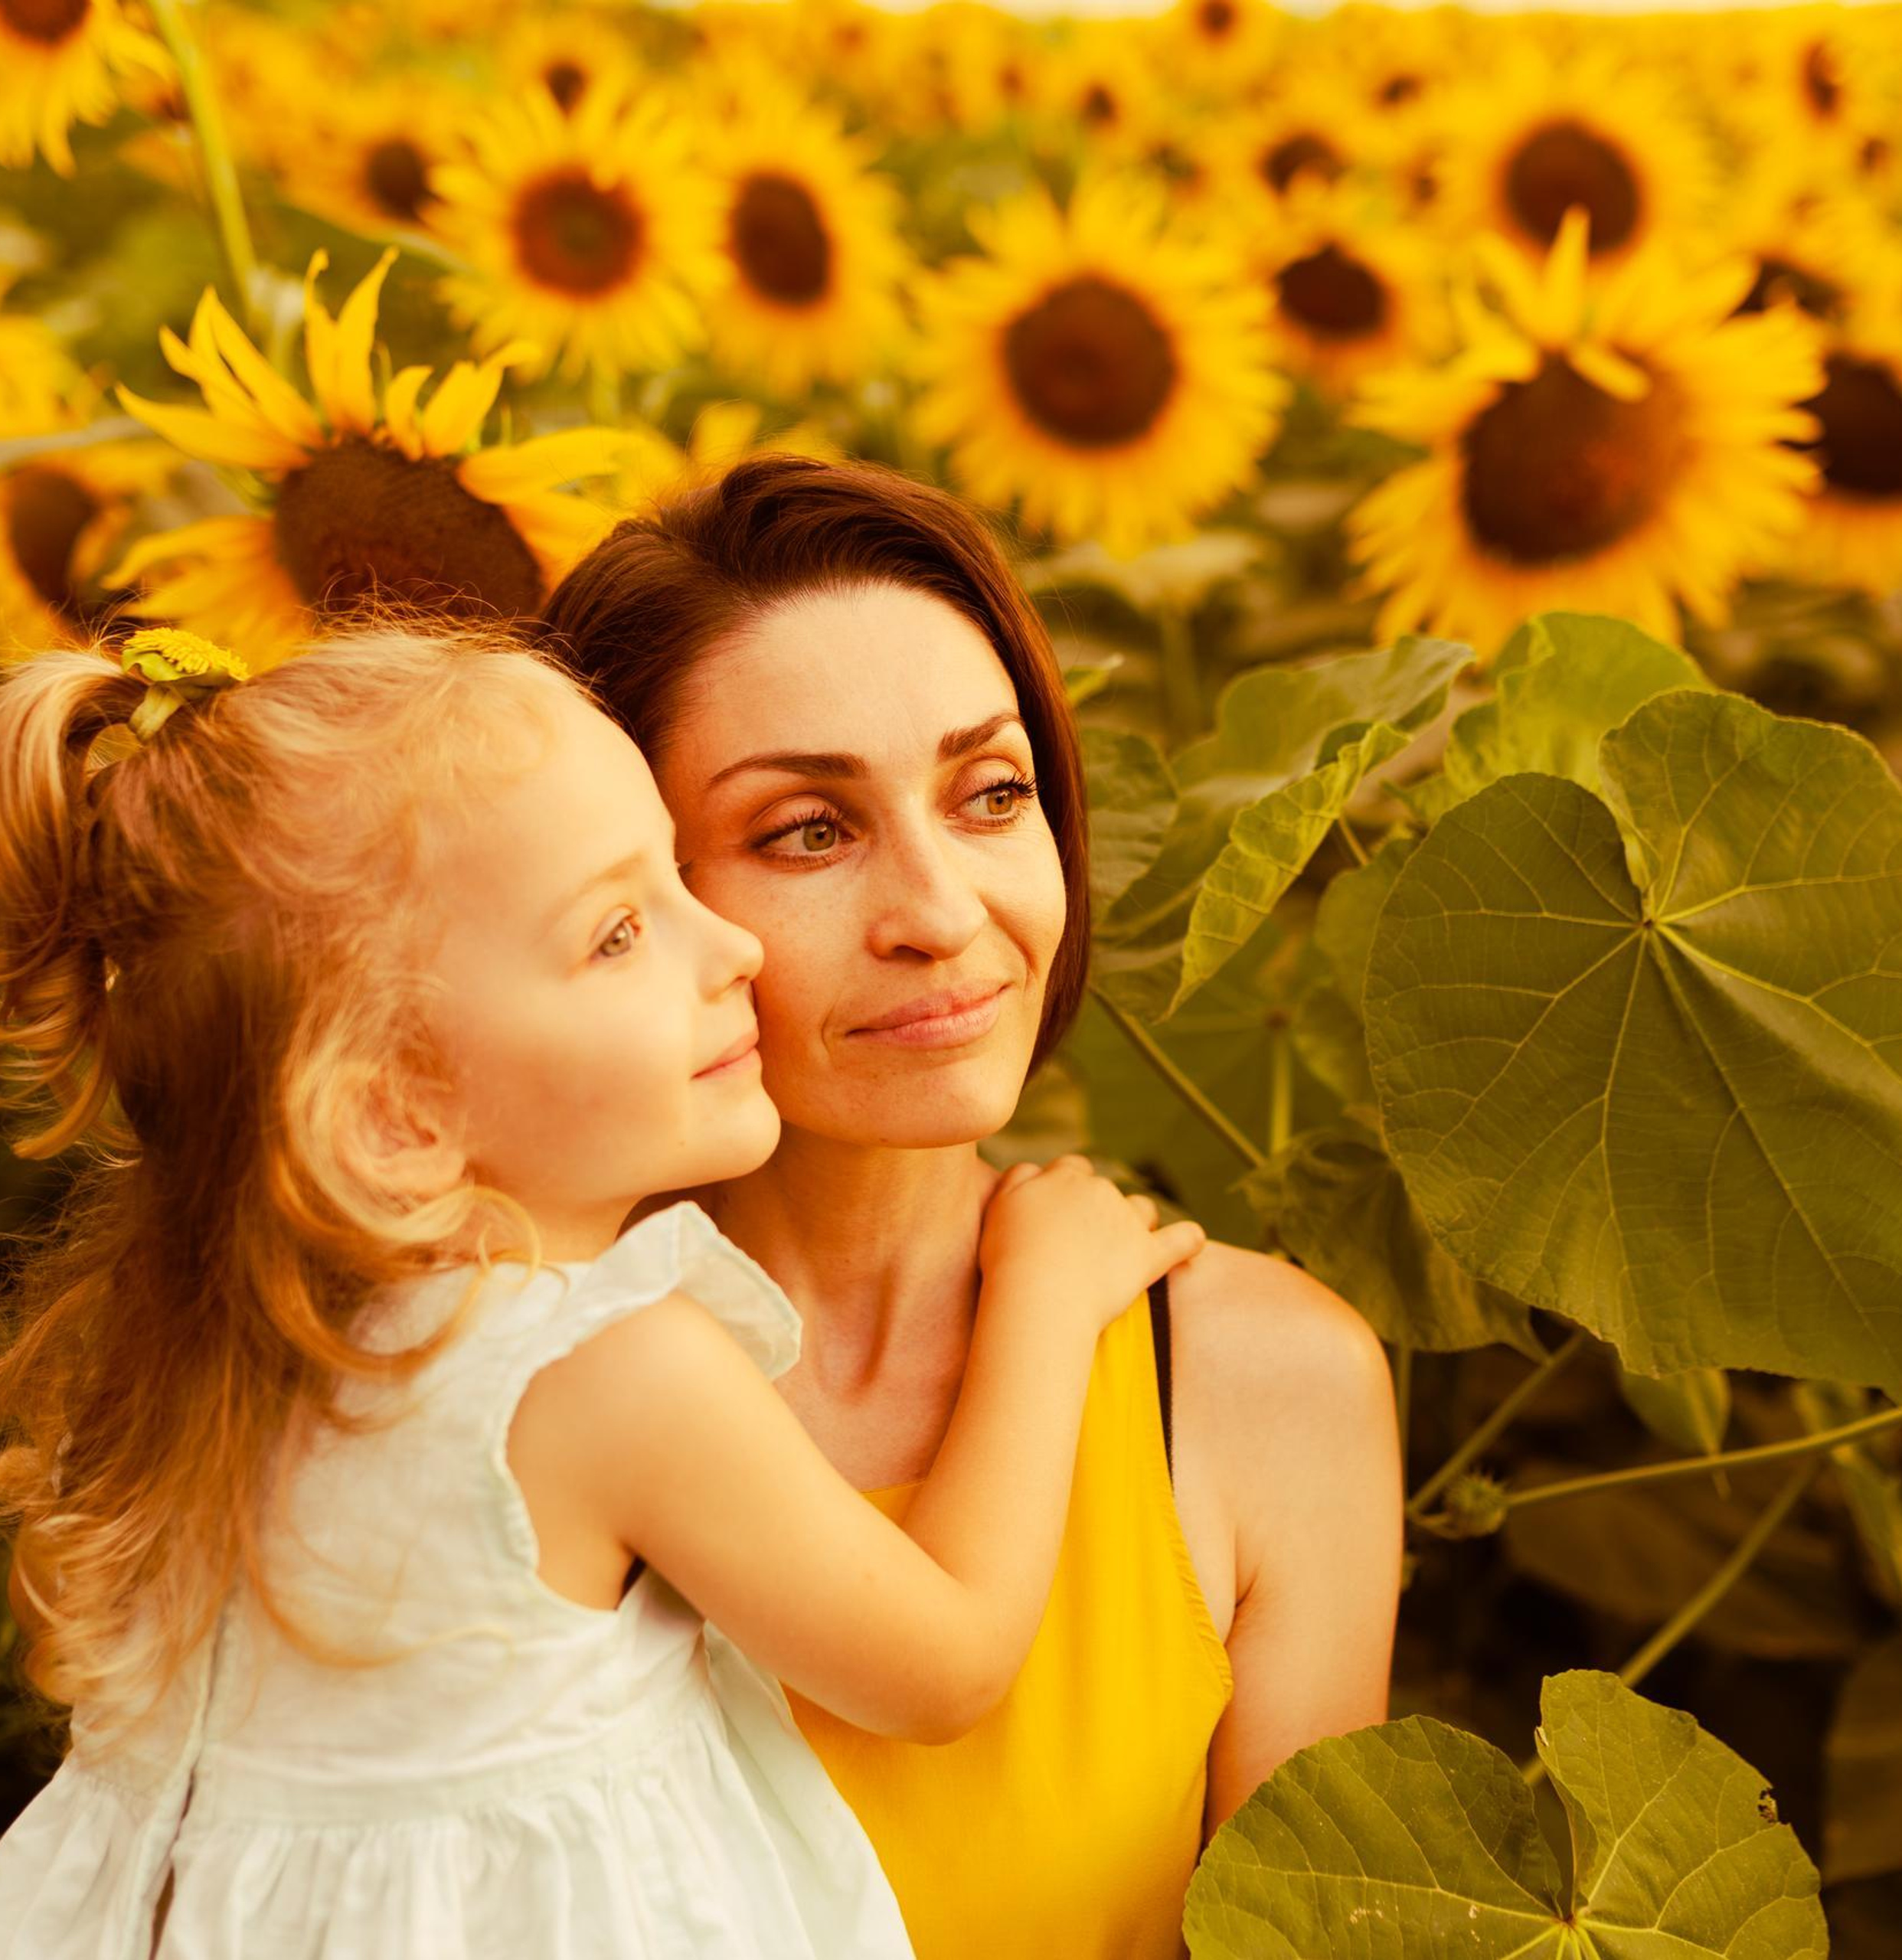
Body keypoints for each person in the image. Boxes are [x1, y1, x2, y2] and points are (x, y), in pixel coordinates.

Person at [0, 622, 1204, 1959]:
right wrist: (1047, 1287)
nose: (730, 949)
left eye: (680, 883)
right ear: (393, 1112)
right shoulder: (604, 1369)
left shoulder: (236, 1354)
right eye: (619, 933)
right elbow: (947, 1663)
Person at [541, 455, 1407, 1960]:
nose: (941, 914)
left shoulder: (1259, 1380)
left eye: (990, 792)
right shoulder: (511, 1368)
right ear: (625, 897)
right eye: (806, 829)